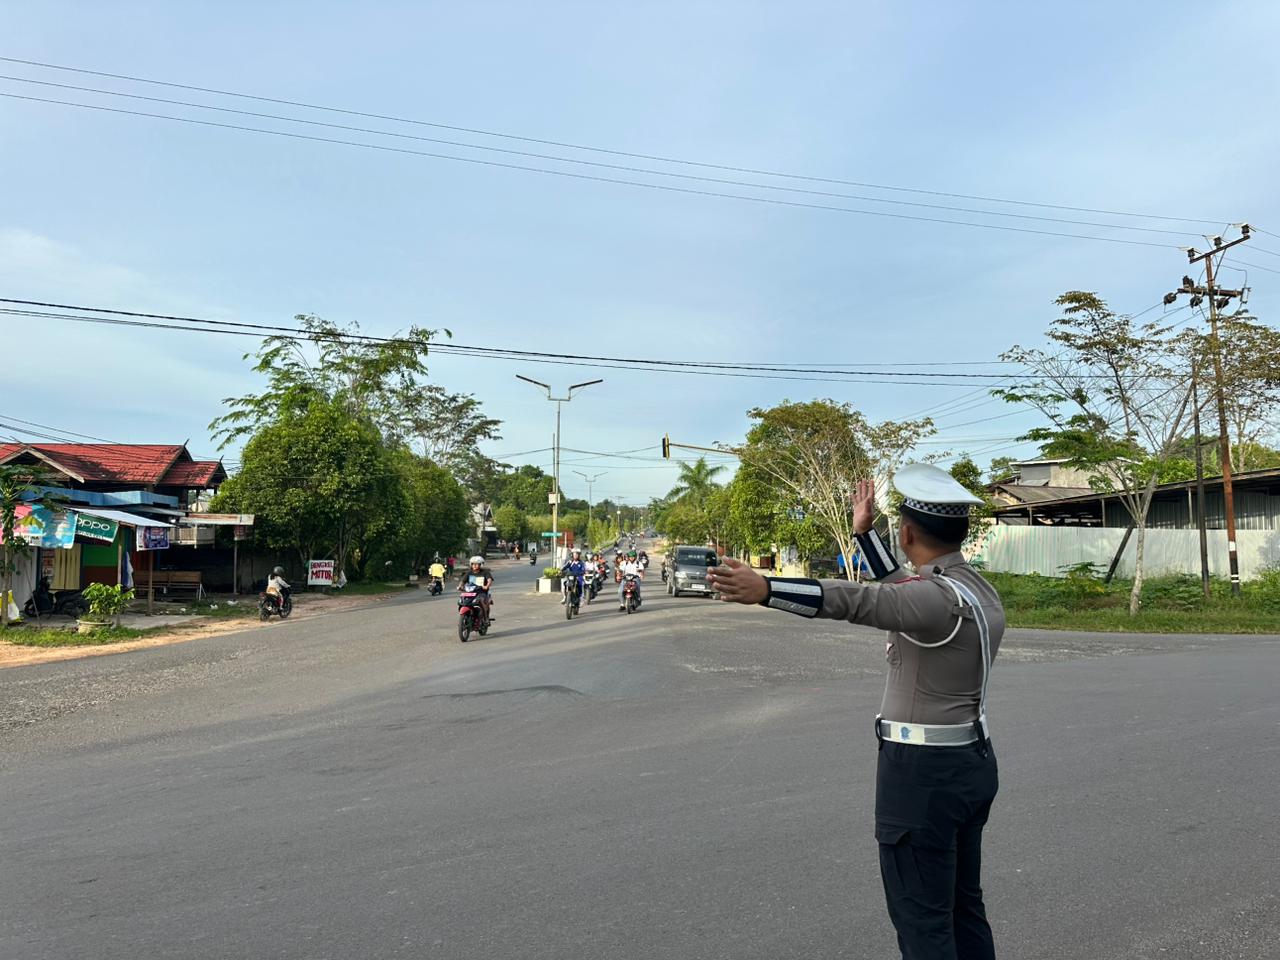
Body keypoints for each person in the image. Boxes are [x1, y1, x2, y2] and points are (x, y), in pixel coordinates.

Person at [708, 464, 1004, 960]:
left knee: (922, 920)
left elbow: (862, 600)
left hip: (923, 777)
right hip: (970, 763)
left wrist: (768, 589)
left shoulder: (935, 601)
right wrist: (863, 535)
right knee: (961, 906)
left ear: (906, 533)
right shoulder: (973, 590)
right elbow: (901, 595)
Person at [458, 555, 493, 622]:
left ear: (481, 565)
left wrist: (486, 586)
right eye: (473, 564)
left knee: (481, 601)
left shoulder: (485, 572)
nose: (474, 566)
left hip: (482, 592)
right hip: (470, 592)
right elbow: (463, 581)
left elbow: (489, 580)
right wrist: (460, 586)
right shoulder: (469, 572)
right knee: (462, 601)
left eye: (477, 564)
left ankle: (486, 618)